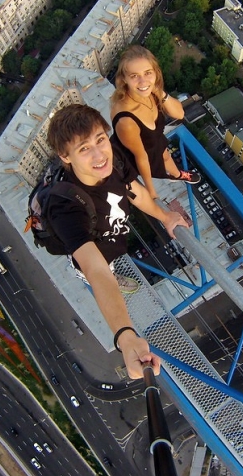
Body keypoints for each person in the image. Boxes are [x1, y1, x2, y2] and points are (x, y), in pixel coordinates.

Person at [46, 104, 188, 379]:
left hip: (113, 239)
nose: (100, 155)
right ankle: (118, 280)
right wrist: (125, 336)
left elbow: (135, 192)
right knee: (105, 275)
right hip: (93, 257)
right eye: (84, 149)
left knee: (111, 267)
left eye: (100, 140)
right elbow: (96, 271)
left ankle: (117, 277)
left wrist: (165, 216)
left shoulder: (115, 161)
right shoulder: (65, 206)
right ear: (65, 156)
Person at [110, 45, 200, 200]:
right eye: (134, 76)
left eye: (148, 73)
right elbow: (141, 156)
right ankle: (174, 175)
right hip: (138, 155)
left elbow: (179, 114)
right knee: (159, 159)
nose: (143, 81)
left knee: (166, 156)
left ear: (155, 72)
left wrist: (158, 90)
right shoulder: (126, 120)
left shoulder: (151, 94)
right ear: (124, 79)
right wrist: (151, 191)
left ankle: (178, 175)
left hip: (154, 142)